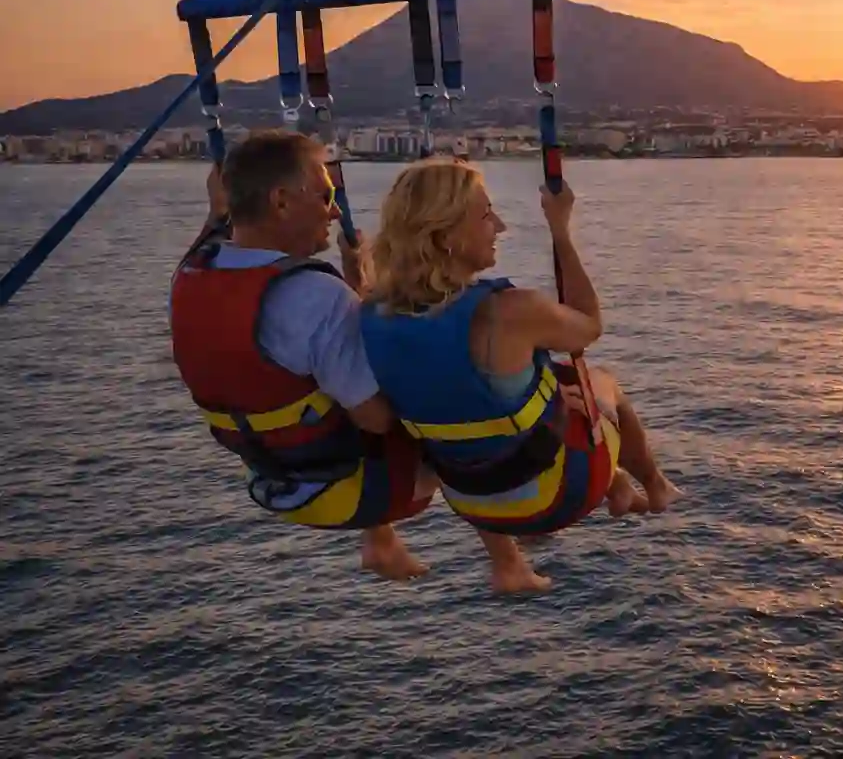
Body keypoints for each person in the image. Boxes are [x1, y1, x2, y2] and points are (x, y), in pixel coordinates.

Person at [358, 157, 681, 594]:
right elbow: (588, 325)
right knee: (600, 381)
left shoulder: (372, 315)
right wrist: (561, 231)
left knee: (512, 396)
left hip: (471, 501)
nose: (501, 227)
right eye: (486, 214)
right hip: (554, 494)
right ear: (445, 236)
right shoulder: (508, 313)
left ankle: (517, 558)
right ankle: (655, 486)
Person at [167, 130, 438, 582]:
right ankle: (511, 524)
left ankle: (381, 540)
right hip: (355, 486)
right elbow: (378, 420)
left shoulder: (190, 275)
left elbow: (296, 346)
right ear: (281, 201)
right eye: (326, 193)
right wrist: (369, 296)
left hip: (272, 479)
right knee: (458, 379)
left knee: (330, 379)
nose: (334, 210)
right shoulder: (315, 294)